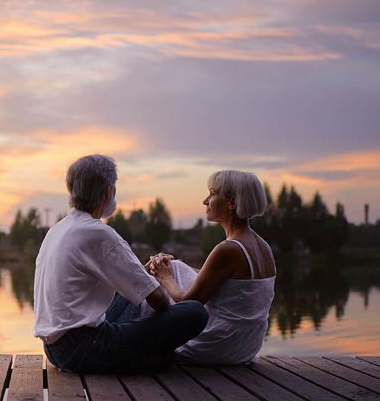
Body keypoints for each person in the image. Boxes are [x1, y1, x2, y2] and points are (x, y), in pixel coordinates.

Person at [33, 154, 209, 374]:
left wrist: (141, 276)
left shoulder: (58, 229)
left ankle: (144, 355)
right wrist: (162, 280)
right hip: (85, 348)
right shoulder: (99, 233)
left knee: (129, 295)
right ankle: (147, 357)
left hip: (54, 349)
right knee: (194, 312)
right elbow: (160, 302)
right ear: (108, 192)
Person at [147, 169, 276, 366]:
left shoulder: (228, 249)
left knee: (153, 283)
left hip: (218, 346)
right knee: (178, 266)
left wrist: (165, 277)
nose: (205, 201)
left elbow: (188, 303)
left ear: (232, 203)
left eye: (212, 193)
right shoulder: (262, 246)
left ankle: (114, 339)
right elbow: (232, 287)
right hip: (246, 346)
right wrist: (172, 269)